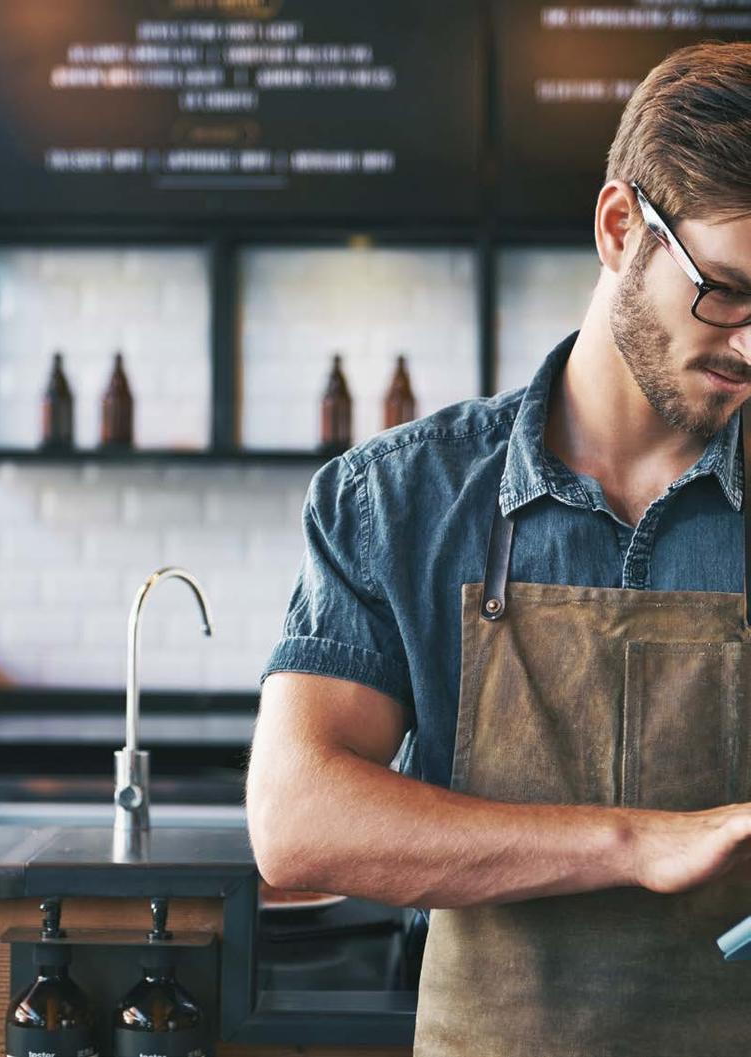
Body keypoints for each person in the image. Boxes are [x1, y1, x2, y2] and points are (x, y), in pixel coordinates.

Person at [246, 41, 751, 1057]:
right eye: (727, 292)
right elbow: (299, 822)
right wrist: (641, 840)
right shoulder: (396, 499)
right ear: (621, 229)